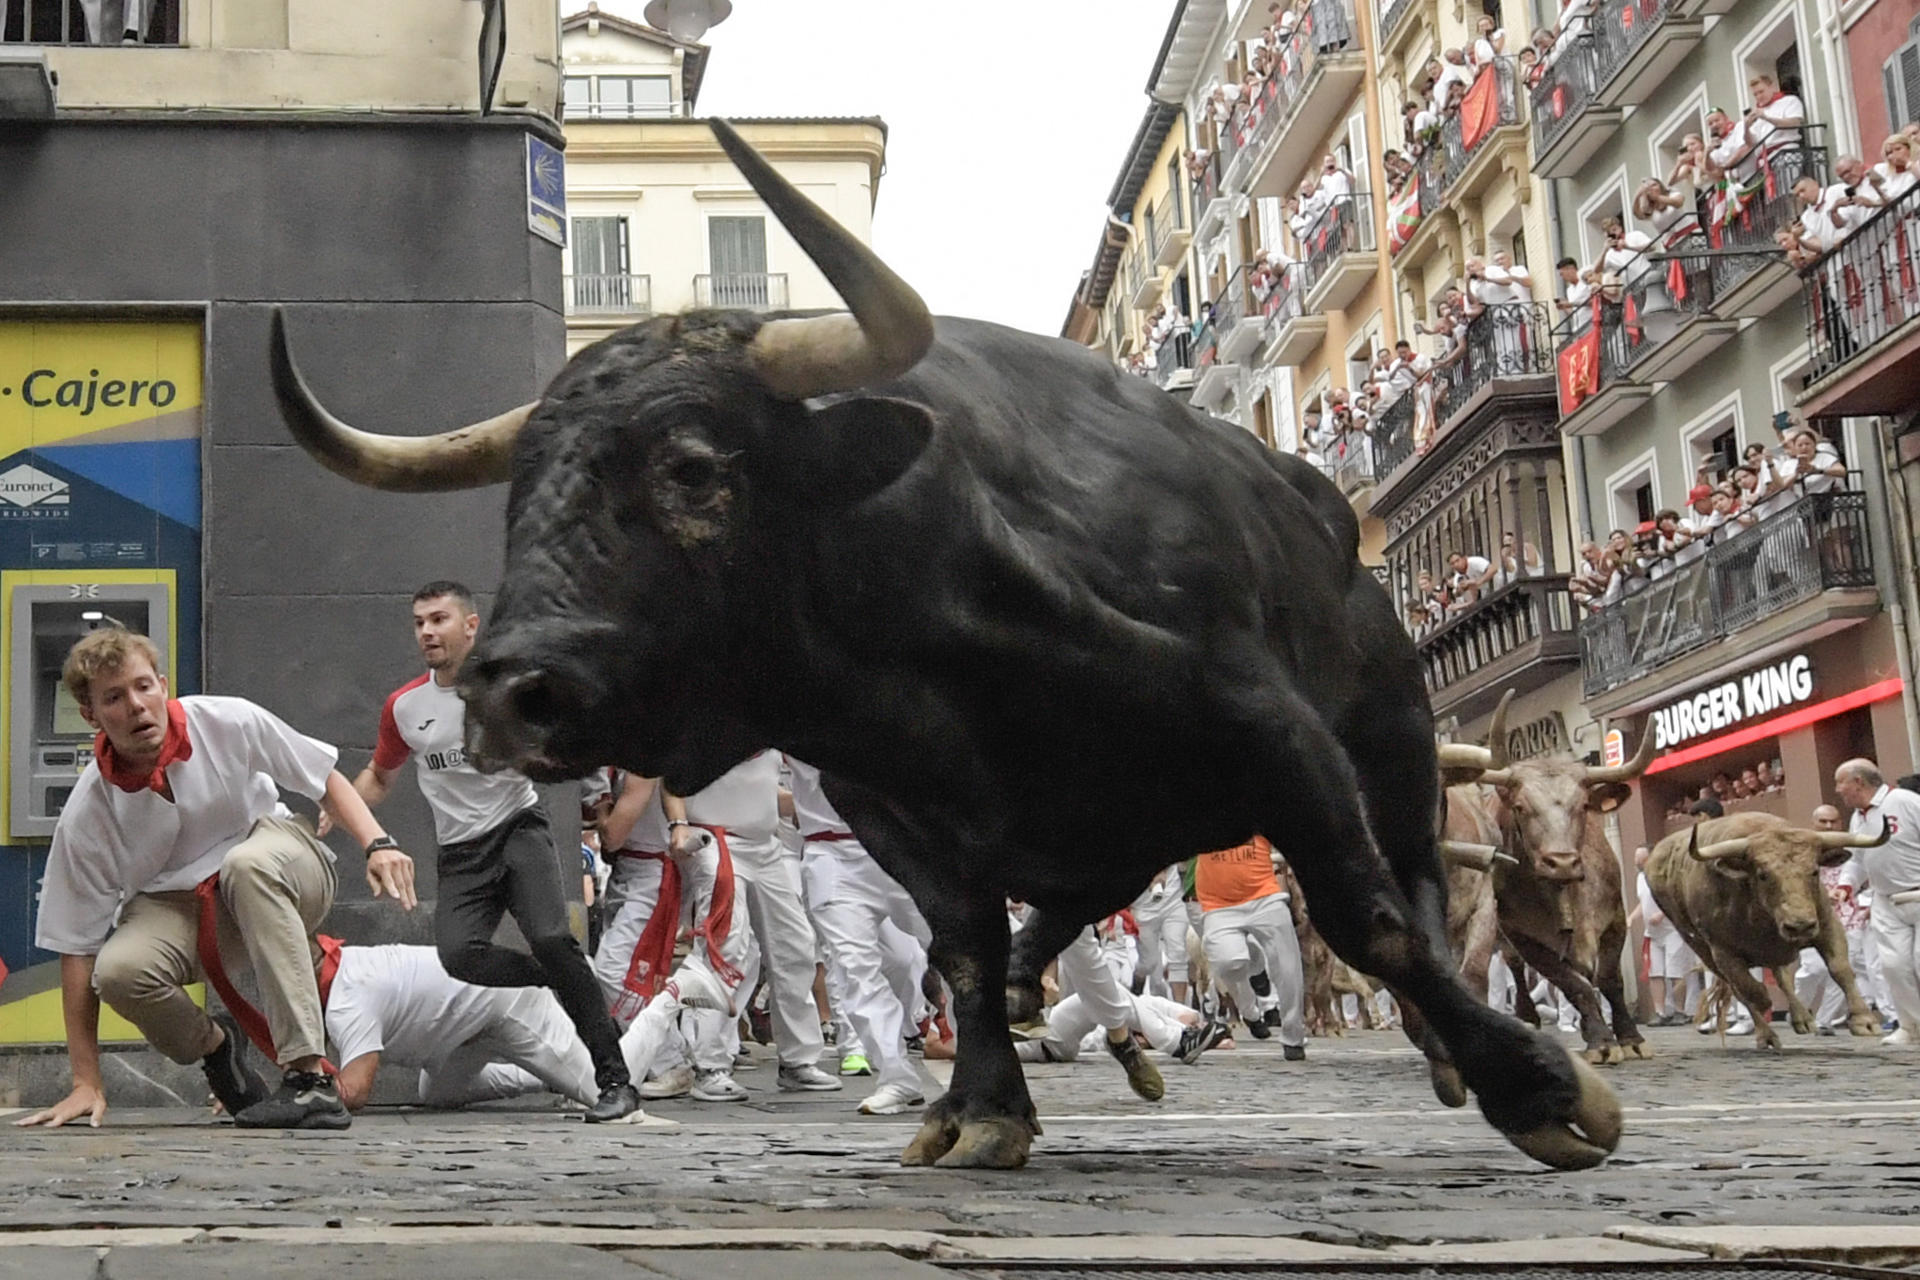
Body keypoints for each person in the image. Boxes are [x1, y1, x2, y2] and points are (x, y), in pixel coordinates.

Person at [18, 628, 416, 1131]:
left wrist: (377, 844)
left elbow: (322, 778)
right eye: (115, 697)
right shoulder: (89, 811)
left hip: (279, 864)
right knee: (119, 970)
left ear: (163, 686)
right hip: (179, 906)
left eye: (144, 687)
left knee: (246, 867)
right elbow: (76, 946)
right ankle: (217, 1045)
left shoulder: (227, 720)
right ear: (91, 715)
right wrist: (86, 1081)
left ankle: (307, 1079)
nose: (137, 706)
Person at [352, 582, 637, 1121]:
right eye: (419, 623)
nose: (427, 632)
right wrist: (333, 808)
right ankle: (564, 979)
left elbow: (560, 742)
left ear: (470, 626)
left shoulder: (509, 687)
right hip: (460, 853)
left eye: (438, 619)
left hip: (517, 830)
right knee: (461, 957)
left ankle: (615, 1081)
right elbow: (379, 778)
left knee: (553, 937)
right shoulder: (406, 707)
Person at [785, 755, 935, 1114]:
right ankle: (897, 1077)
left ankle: (974, 1065)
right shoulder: (788, 712)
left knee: (953, 949)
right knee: (854, 968)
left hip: (898, 843)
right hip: (832, 854)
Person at [1832, 758, 1920, 1046]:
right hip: (1885, 899)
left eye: (1840, 782)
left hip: (1919, 891)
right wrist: (1846, 886)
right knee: (1894, 966)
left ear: (1858, 781)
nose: (1838, 790)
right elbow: (1857, 860)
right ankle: (1911, 1026)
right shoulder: (1859, 817)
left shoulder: (1904, 801)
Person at [1195, 835, 1308, 1058]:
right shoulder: (1198, 813)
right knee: (1229, 965)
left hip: (1265, 896)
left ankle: (1293, 1038)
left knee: (1287, 965)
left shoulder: (1258, 805)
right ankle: (1255, 964)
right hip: (1218, 904)